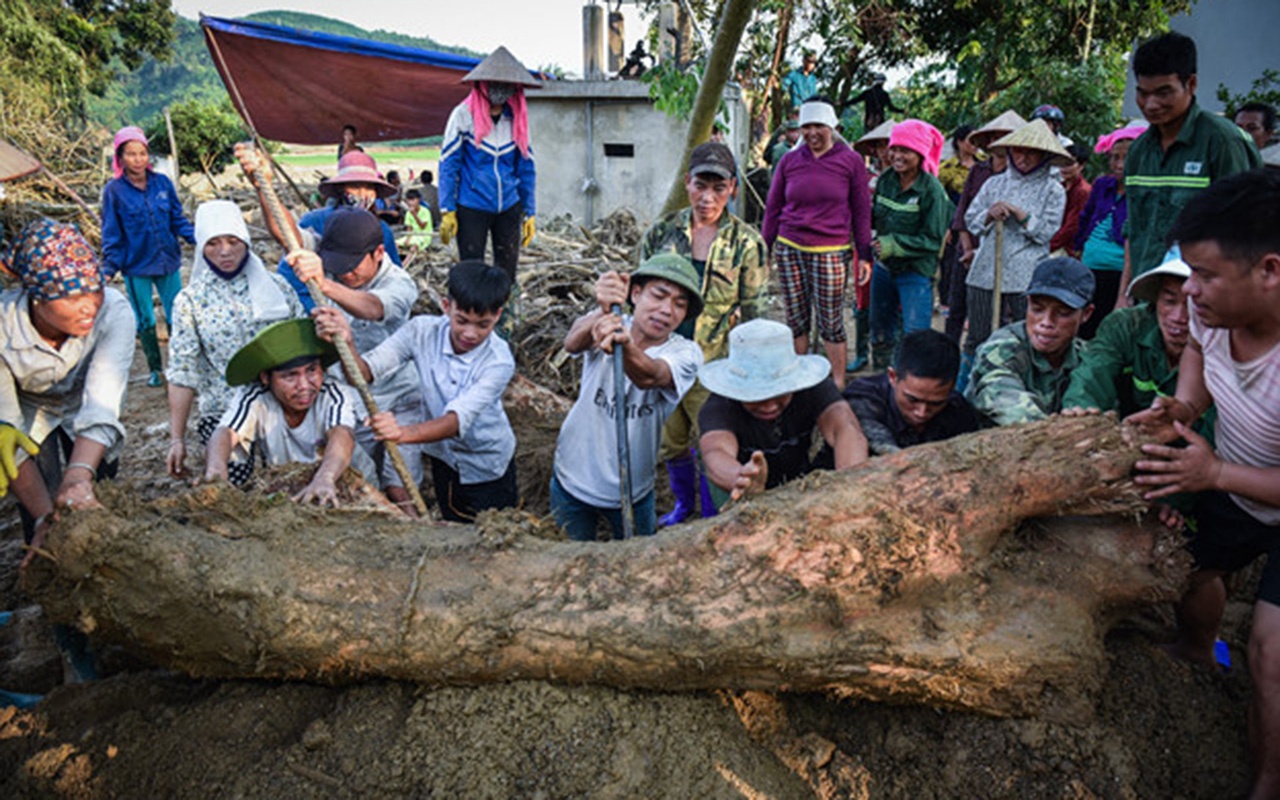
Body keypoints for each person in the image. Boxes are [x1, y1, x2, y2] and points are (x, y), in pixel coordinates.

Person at [1126, 170, 1280, 799]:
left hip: (1237, 479)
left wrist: (1213, 473)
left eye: (1206, 274)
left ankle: (1267, 781)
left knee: (1270, 654)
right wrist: (1183, 408)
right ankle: (1202, 652)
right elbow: (1197, 354)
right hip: (1239, 490)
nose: (1190, 290)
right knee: (1183, 572)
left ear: (1269, 270)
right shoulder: (1212, 312)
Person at [313, 260, 518, 523]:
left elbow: (456, 421)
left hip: (487, 465)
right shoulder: (421, 331)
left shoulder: (499, 361)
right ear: (446, 306)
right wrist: (348, 340)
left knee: (493, 534)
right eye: (462, 320)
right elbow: (362, 373)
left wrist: (401, 434)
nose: (470, 333)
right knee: (453, 525)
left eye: (483, 325)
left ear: (498, 315)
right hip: (444, 459)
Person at [637, 142, 768, 524]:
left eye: (718, 188)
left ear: (733, 190)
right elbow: (641, 299)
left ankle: (713, 517)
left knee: (714, 443)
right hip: (664, 360)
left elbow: (756, 314)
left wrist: (750, 373)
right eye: (700, 186)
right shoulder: (662, 233)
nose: (707, 197)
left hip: (714, 366)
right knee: (670, 441)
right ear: (687, 184)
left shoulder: (747, 244)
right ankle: (683, 506)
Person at [551, 256, 704, 540]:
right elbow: (572, 342)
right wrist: (602, 311)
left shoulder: (687, 353)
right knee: (567, 561)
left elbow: (651, 376)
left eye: (679, 304)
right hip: (572, 478)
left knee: (637, 566)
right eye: (659, 296)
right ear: (635, 294)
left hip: (633, 491)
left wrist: (625, 344)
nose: (666, 310)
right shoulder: (609, 319)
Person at [288, 209, 425, 515]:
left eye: (350, 267)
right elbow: (288, 234)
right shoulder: (334, 251)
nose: (345, 274)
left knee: (399, 478)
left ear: (378, 253)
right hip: (351, 393)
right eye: (338, 266)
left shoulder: (401, 284)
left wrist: (325, 284)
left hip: (399, 393)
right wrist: (260, 181)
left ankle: (415, 523)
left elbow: (373, 308)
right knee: (362, 474)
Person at [165, 200, 304, 485]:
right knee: (233, 477)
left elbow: (302, 347)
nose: (225, 251)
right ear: (201, 246)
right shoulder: (190, 301)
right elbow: (182, 372)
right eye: (214, 243)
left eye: (233, 241)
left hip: (283, 402)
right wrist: (176, 439)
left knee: (291, 477)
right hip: (223, 408)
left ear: (246, 241)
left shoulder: (278, 288)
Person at [1117, 32, 1260, 304]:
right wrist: (1124, 296)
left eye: (1163, 92)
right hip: (1148, 299)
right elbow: (1133, 230)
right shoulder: (1137, 151)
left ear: (1191, 84)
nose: (1151, 104)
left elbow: (1244, 230)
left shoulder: (1222, 141)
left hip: (1204, 301)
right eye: (1142, 93)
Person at [762, 97, 873, 391]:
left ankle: (836, 382)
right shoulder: (789, 161)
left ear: (832, 127)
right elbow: (773, 208)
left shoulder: (850, 161)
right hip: (789, 247)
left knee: (831, 321)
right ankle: (799, 378)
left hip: (831, 251)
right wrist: (765, 247)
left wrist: (864, 254)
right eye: (806, 127)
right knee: (796, 318)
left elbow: (862, 211)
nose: (812, 133)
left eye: (819, 127)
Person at [206, 318, 377, 507]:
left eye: (312, 370)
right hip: (289, 484)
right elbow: (225, 432)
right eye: (290, 376)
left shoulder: (334, 393)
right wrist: (215, 470)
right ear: (266, 378)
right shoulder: (255, 396)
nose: (304, 386)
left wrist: (326, 477)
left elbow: (342, 434)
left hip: (348, 480)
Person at [699, 319, 868, 503]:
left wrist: (850, 486)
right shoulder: (719, 405)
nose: (770, 406)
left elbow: (846, 428)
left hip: (796, 478)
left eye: (780, 394)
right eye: (757, 397)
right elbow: (715, 451)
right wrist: (740, 478)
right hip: (736, 487)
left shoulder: (814, 388)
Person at [235, 144, 404, 310]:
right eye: (355, 186)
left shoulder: (382, 232)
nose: (362, 194)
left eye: (368, 187)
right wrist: (264, 188)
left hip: (361, 311)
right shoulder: (317, 221)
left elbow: (389, 288)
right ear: (341, 190)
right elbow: (291, 240)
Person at [963, 119, 1070, 360]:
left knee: (1026, 338)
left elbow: (1046, 233)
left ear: (1044, 156)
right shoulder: (994, 183)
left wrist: (1020, 214)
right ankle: (969, 388)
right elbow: (971, 220)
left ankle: (1020, 388)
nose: (1024, 157)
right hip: (986, 271)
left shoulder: (1053, 190)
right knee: (977, 337)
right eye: (1019, 151)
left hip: (1028, 276)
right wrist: (989, 215)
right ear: (1010, 152)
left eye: (1033, 153)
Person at [100, 125, 195, 387]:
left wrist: (199, 237)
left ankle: (180, 364)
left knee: (177, 313)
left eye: (142, 153)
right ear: (120, 158)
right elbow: (111, 232)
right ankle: (156, 369)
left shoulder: (162, 183)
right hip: (136, 265)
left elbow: (177, 219)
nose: (138, 159)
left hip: (168, 260)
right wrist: (110, 266)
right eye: (131, 154)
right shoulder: (114, 191)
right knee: (145, 318)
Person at [438, 46, 541, 285]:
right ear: (482, 83)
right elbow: (448, 164)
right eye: (494, 83)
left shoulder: (516, 118)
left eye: (506, 84)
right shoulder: (463, 115)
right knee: (471, 268)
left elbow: (526, 168)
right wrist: (447, 209)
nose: (500, 90)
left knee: (507, 269)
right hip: (471, 204)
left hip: (508, 204)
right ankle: (470, 317)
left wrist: (530, 211)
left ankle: (504, 318)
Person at [1063, 253, 1205, 426]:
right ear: (1156, 299)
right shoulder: (1126, 326)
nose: (1178, 316)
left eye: (1192, 305)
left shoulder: (1228, 344)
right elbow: (1091, 376)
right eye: (1169, 301)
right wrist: (1080, 415)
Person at [966, 256, 1094, 426]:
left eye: (1063, 313)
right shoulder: (1002, 347)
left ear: (1086, 314)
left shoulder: (1087, 357)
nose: (1046, 322)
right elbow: (1005, 399)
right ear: (1027, 303)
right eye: (1037, 309)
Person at [869, 119, 952, 370]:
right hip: (884, 268)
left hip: (916, 272)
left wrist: (894, 244)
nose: (896, 155)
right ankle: (883, 378)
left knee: (916, 335)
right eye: (894, 149)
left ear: (920, 153)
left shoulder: (932, 191)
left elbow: (933, 239)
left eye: (904, 151)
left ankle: (913, 384)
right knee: (881, 329)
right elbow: (877, 216)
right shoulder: (886, 180)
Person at [944, 111, 1025, 351]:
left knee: (996, 312)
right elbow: (964, 211)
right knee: (956, 306)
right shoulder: (978, 171)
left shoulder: (1019, 177)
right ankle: (949, 361)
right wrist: (968, 247)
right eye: (995, 137)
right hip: (967, 248)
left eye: (1006, 137)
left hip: (999, 252)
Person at [843, 329, 982, 455]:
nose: (921, 412)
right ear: (893, 377)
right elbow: (883, 448)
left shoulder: (958, 411)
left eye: (936, 403)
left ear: (952, 387)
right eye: (912, 400)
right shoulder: (862, 400)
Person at [1073, 126, 1146, 339]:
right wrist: (1078, 248)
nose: (1120, 163)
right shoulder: (1102, 184)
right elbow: (1086, 216)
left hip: (1118, 272)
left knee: (1107, 329)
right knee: (1083, 326)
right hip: (1089, 267)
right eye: (1115, 157)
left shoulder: (1142, 191)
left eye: (1127, 157)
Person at [1049, 143, 1092, 259]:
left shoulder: (1083, 191)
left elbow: (1072, 227)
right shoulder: (1060, 187)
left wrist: (1050, 245)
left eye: (1069, 164)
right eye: (1062, 163)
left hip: (1068, 247)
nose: (1064, 168)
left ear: (1081, 166)